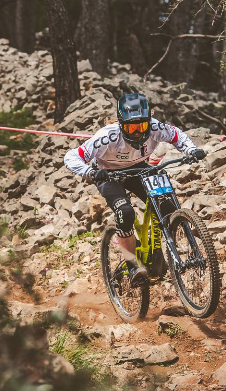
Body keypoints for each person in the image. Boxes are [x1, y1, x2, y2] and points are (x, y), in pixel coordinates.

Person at [64, 92, 206, 282]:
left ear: (149, 121)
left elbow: (176, 135)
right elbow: (71, 156)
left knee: (167, 206)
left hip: (138, 168)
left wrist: (191, 150)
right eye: (131, 127)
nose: (137, 132)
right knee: (125, 212)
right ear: (121, 124)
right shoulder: (107, 137)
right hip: (108, 174)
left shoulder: (155, 127)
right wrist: (90, 172)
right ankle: (132, 265)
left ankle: (158, 252)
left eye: (142, 126)